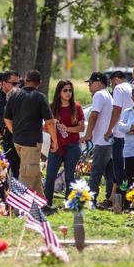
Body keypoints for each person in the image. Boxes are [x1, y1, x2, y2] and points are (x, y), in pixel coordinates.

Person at [4, 70, 56, 204]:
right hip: (31, 143)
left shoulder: (14, 95)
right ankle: (19, 207)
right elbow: (49, 122)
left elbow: (7, 118)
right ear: (39, 83)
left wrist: (14, 132)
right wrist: (55, 141)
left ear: (25, 80)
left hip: (18, 141)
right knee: (27, 174)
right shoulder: (39, 97)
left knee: (34, 173)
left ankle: (41, 205)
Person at [43, 79, 85, 208]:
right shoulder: (52, 107)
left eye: (70, 90)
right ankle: (47, 203)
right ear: (59, 92)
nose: (68, 93)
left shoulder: (76, 107)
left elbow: (81, 128)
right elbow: (45, 128)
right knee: (50, 176)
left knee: (69, 176)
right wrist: (52, 126)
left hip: (72, 145)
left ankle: (69, 203)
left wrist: (67, 129)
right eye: (65, 90)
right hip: (55, 146)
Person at [83, 72, 114, 206]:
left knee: (95, 173)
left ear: (98, 82)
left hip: (102, 141)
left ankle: (91, 201)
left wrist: (88, 134)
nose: (89, 86)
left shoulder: (99, 94)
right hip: (108, 141)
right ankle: (110, 199)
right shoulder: (107, 94)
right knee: (109, 174)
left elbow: (94, 115)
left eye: (90, 83)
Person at [107, 70, 134, 202]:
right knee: (129, 169)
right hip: (132, 134)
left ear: (116, 79)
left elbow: (116, 110)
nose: (112, 86)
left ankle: (121, 198)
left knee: (119, 169)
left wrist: (109, 129)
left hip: (119, 134)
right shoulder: (132, 88)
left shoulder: (119, 88)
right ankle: (128, 197)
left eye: (111, 83)